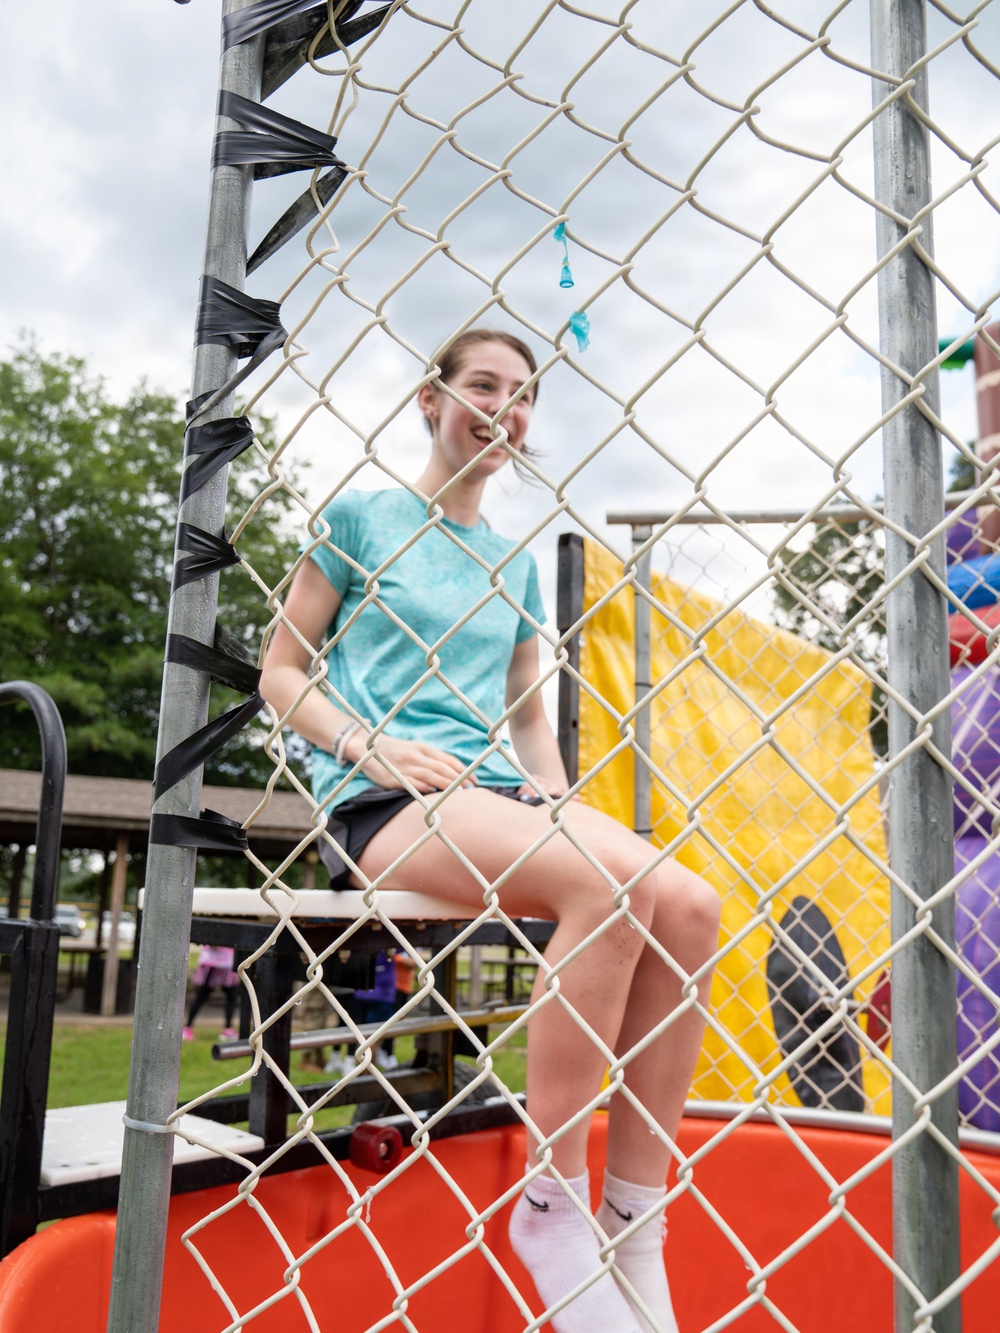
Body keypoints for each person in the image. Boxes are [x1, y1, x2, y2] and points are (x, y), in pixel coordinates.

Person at [261, 328, 721, 1333]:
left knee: (689, 905)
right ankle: (551, 1206)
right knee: (608, 888)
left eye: (520, 396)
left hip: (491, 796)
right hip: (382, 798)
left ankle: (635, 1221)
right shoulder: (360, 519)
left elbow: (523, 717)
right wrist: (371, 747)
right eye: (481, 385)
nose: (502, 408)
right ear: (432, 399)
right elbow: (280, 672)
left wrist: (555, 796)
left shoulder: (509, 567)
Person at [183, 944, 240, 1041]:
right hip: (212, 964)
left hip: (227, 963)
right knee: (201, 996)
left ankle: (228, 1029)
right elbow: (212, 944)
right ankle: (187, 1029)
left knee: (232, 996)